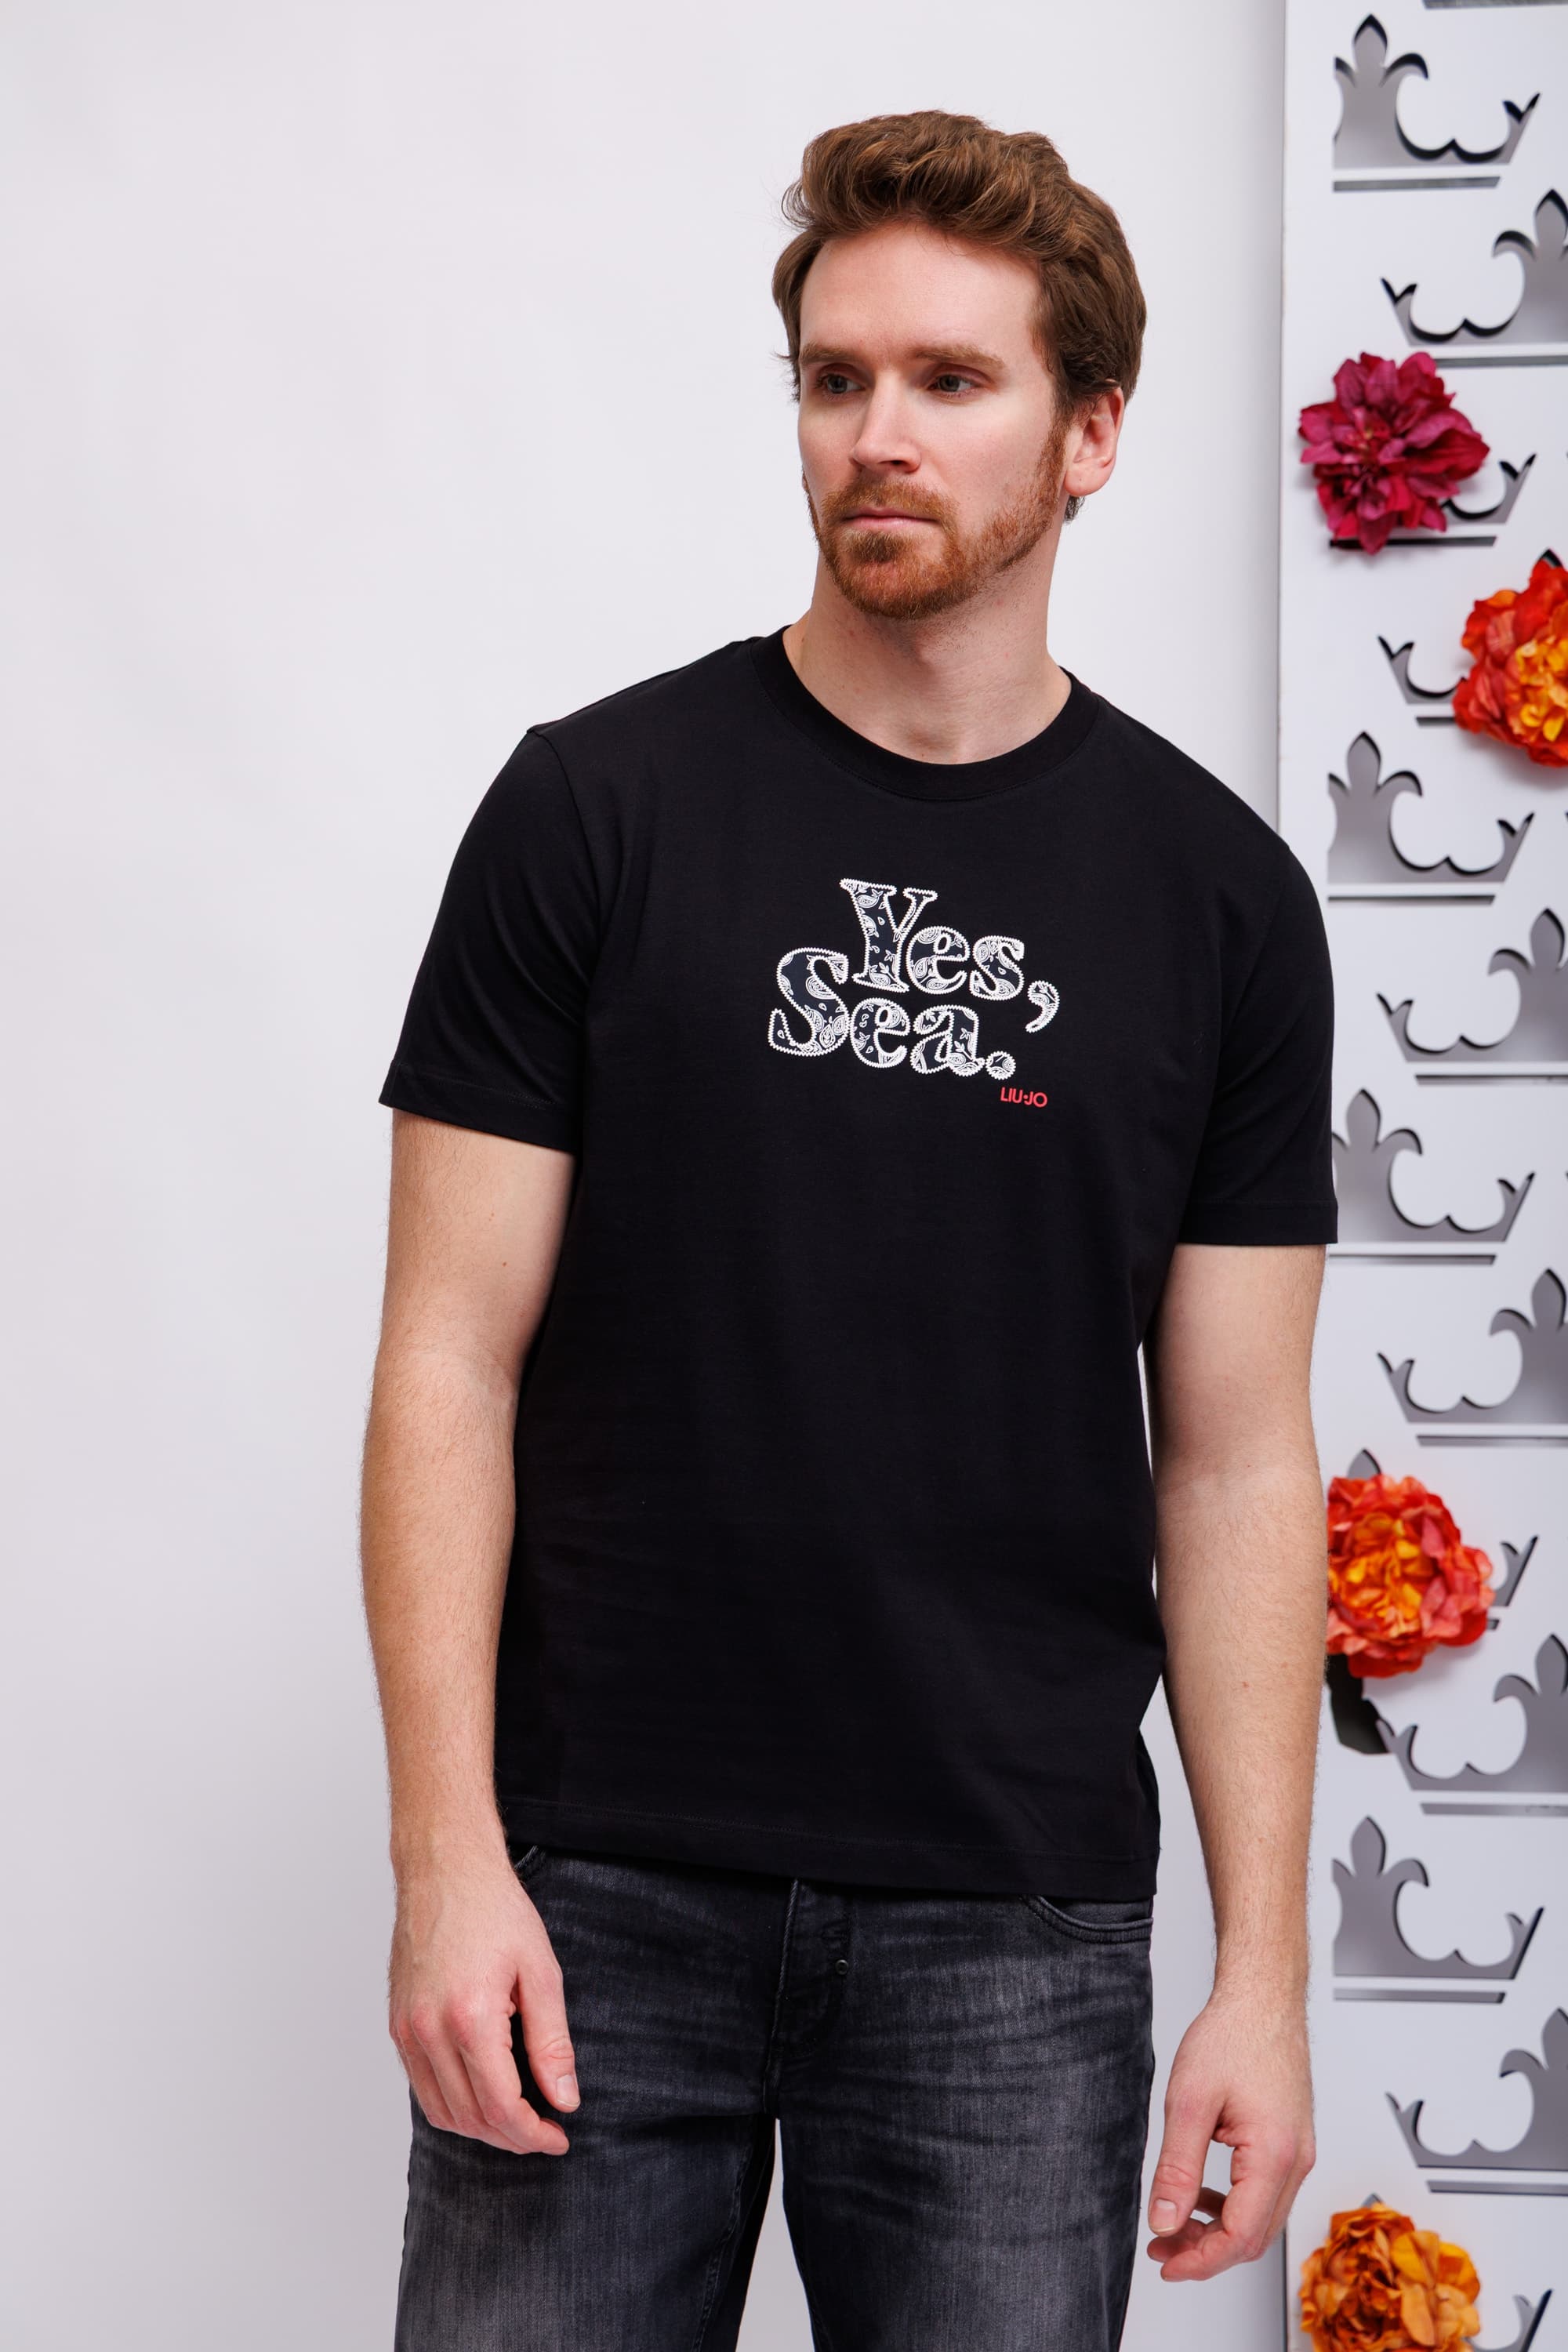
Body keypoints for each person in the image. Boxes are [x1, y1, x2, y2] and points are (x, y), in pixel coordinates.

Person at [362, 107, 1333, 2352]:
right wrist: (446, 1863)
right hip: (595, 1893)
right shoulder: (593, 811)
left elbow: (1237, 1461)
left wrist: (1265, 1978)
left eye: (951, 380)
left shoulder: (1219, 902)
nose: (876, 434)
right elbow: (443, 1356)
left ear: (1092, 435)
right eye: (835, 377)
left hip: (1014, 1925)